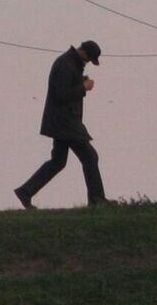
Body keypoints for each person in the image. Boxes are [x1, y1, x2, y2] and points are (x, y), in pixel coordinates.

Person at [14, 40, 106, 208]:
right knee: (90, 156)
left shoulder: (69, 63)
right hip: (65, 122)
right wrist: (83, 87)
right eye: (88, 59)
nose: (87, 62)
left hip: (62, 121)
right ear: (83, 52)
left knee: (58, 162)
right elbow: (62, 94)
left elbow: (65, 87)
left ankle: (25, 191)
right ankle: (97, 200)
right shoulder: (66, 64)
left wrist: (79, 81)